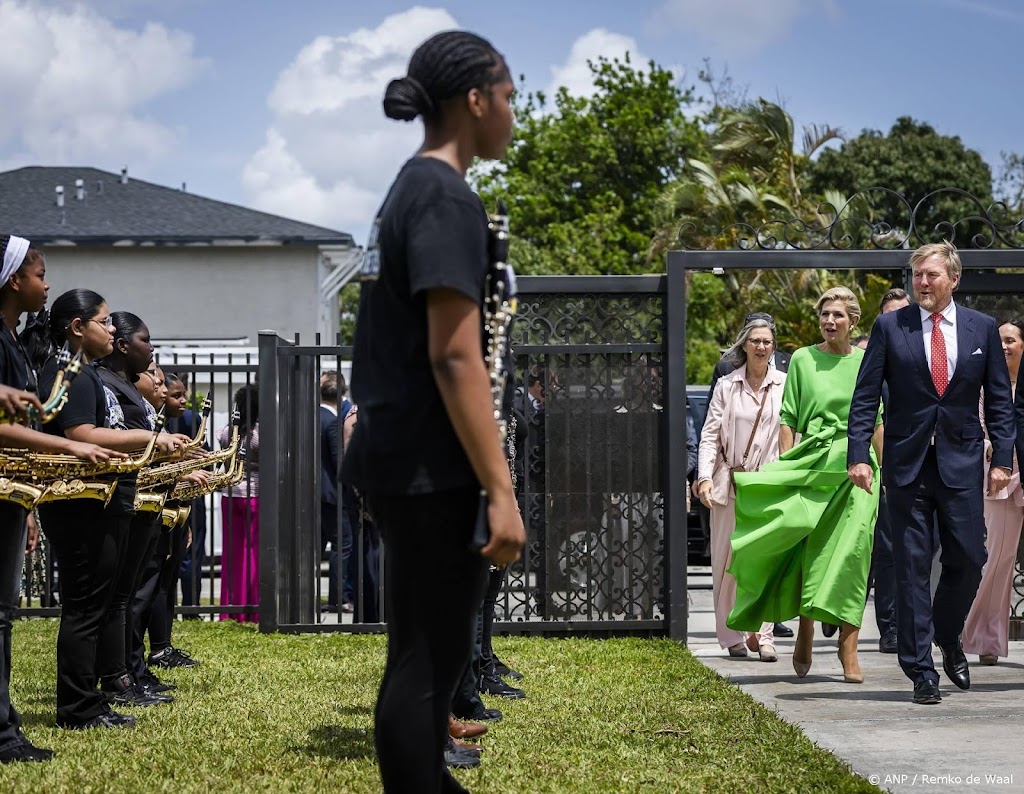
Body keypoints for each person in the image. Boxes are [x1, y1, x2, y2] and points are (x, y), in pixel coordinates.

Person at [340, 30, 525, 793]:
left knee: (416, 660)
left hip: (399, 457)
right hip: (428, 467)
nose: (514, 113)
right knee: (428, 666)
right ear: (474, 100)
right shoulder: (446, 197)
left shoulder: (406, 188)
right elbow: (455, 356)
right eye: (509, 96)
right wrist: (502, 489)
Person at [847, 241, 1014, 706]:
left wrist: (1003, 459)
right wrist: (858, 454)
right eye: (917, 274)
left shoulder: (981, 328)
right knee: (912, 567)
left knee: (970, 556)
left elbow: (1000, 400)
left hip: (961, 465)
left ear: (953, 280)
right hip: (907, 466)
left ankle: (947, 633)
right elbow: (865, 397)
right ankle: (921, 670)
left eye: (931, 275)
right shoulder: (889, 326)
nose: (921, 282)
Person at [26, 290, 182, 729]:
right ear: (79, 328)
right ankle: (78, 707)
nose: (112, 329)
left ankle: (91, 698)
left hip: (103, 502)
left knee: (97, 604)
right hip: (82, 505)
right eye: (104, 321)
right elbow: (83, 433)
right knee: (86, 607)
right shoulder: (68, 370)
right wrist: (150, 440)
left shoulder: (86, 372)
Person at [0, 239, 119, 759]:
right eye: (40, 274)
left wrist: (24, 506)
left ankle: (8, 726)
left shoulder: (11, 343)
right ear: (12, 280)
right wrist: (69, 443)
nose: (46, 284)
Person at [728, 286, 882, 685]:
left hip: (859, 467)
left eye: (838, 316)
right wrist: (786, 469)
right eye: (825, 315)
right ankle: (806, 627)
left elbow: (878, 419)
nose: (830, 322)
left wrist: (892, 472)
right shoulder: (802, 359)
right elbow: (789, 419)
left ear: (852, 321)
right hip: (813, 464)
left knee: (853, 556)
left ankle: (849, 647)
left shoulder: (867, 360)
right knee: (811, 551)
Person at [96, 314, 191, 708]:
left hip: (141, 502)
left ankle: (130, 671)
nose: (156, 372)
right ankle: (114, 678)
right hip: (122, 502)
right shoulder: (105, 382)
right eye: (146, 342)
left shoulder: (123, 387)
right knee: (122, 598)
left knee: (133, 593)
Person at [697, 318, 786, 662]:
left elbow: (790, 433)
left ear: (773, 347)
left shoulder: (784, 384)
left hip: (768, 484)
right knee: (726, 563)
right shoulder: (726, 386)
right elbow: (709, 435)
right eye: (755, 341)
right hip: (731, 484)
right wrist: (704, 476)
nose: (761, 346)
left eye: (766, 341)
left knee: (763, 562)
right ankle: (732, 635)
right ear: (744, 346)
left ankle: (763, 636)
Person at [961, 318, 1024, 665]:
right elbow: (979, 427)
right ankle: (981, 636)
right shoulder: (985, 387)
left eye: (1011, 339)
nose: (1004, 346)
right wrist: (989, 447)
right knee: (997, 562)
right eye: (999, 340)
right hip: (1001, 481)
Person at [869, 288, 911, 654]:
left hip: (927, 465)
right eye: (891, 316)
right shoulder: (875, 362)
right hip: (884, 468)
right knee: (887, 551)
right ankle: (891, 627)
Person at [217, 383, 260, 623]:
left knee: (232, 554)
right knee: (253, 553)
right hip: (255, 495)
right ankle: (252, 610)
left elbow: (225, 464)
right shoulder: (259, 434)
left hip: (230, 495)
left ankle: (230, 609)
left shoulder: (226, 432)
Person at [319, 372, 342, 611]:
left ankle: (306, 597)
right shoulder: (333, 421)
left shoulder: (311, 416)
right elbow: (338, 462)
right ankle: (336, 598)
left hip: (310, 494)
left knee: (313, 548)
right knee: (339, 547)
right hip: (332, 495)